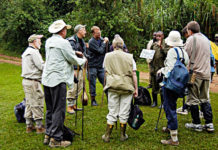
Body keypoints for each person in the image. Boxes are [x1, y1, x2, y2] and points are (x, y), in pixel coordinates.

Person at [42, 20, 87, 148]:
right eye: (65, 29)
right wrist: (82, 60)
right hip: (58, 79)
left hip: (47, 78)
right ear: (62, 31)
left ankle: (48, 134)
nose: (66, 31)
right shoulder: (64, 42)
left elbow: (61, 55)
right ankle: (56, 139)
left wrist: (74, 53)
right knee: (59, 110)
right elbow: (71, 59)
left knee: (50, 108)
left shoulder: (49, 41)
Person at [102, 36, 138, 142]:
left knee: (112, 111)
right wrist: (136, 88)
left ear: (113, 45)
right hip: (127, 86)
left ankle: (107, 136)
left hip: (112, 86)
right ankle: (122, 135)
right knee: (124, 111)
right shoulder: (129, 57)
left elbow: (105, 72)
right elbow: (134, 74)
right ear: (122, 45)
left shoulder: (107, 56)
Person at [157, 31, 189, 146]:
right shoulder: (183, 52)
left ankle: (174, 138)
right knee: (172, 105)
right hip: (179, 84)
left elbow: (169, 69)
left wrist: (161, 71)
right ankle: (170, 128)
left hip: (170, 84)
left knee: (169, 107)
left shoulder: (171, 51)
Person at [184, 21, 215, 132]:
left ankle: (196, 123)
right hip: (206, 73)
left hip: (195, 73)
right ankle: (209, 123)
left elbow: (185, 54)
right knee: (205, 98)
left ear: (190, 30)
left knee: (193, 99)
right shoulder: (206, 39)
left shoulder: (192, 39)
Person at [21, 34, 45, 134]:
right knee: (37, 102)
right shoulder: (34, 52)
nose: (41, 43)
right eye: (39, 41)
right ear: (35, 41)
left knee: (29, 103)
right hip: (33, 81)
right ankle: (39, 127)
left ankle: (29, 126)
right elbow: (41, 66)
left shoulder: (26, 51)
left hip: (26, 81)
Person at [66, 24, 88, 114]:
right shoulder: (72, 41)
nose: (85, 32)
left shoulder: (82, 41)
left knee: (79, 86)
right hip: (74, 67)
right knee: (73, 87)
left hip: (81, 67)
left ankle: (74, 105)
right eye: (84, 30)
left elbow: (83, 53)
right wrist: (76, 53)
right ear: (79, 31)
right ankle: (69, 106)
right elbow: (69, 54)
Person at [87, 26, 109, 106]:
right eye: (97, 32)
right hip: (92, 65)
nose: (99, 33)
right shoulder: (91, 42)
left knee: (105, 81)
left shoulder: (102, 39)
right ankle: (93, 100)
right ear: (93, 33)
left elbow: (106, 50)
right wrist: (104, 43)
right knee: (92, 83)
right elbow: (100, 51)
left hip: (100, 66)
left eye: (99, 32)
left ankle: (109, 97)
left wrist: (107, 42)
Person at [150, 31, 169, 107]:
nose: (158, 38)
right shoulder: (153, 45)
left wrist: (161, 47)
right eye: (157, 36)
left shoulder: (166, 45)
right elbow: (150, 55)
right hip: (154, 68)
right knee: (154, 86)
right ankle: (154, 102)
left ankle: (163, 103)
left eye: (159, 36)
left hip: (161, 69)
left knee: (161, 86)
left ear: (163, 36)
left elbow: (167, 55)